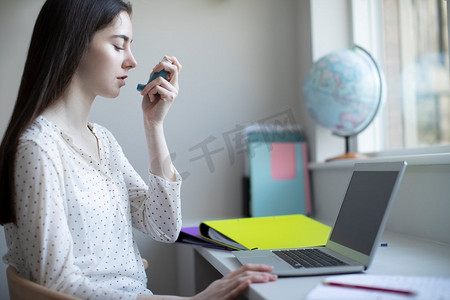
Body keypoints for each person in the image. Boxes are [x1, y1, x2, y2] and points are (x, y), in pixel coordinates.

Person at [0, 0, 277, 299]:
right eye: (119, 46)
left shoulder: (103, 141)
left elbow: (164, 227)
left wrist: (153, 125)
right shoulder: (38, 148)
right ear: (74, 43)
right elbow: (58, 284)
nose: (132, 61)